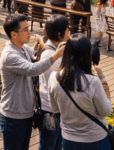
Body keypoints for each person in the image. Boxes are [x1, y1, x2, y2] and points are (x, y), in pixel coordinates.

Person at [0, 14, 65, 150]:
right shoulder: (9, 55)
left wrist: (41, 44)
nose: (29, 31)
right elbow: (33, 69)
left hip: (25, 113)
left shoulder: (23, 48)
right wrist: (56, 55)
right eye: (25, 29)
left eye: (28, 28)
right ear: (14, 34)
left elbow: (37, 58)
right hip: (13, 115)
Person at [48, 34, 112, 150]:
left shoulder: (54, 77)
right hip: (96, 139)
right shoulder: (93, 81)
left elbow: (54, 109)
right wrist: (107, 94)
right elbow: (105, 111)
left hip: (69, 139)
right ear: (87, 55)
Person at [37, 15, 70, 150]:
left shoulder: (52, 51)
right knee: (48, 146)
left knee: (56, 145)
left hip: (55, 109)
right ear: (59, 34)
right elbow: (60, 83)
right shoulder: (49, 55)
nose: (69, 34)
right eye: (67, 31)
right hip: (50, 111)